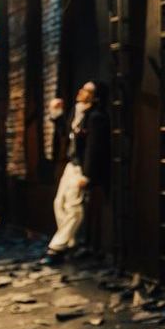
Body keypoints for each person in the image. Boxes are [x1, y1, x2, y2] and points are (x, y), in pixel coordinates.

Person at [39, 80, 109, 265]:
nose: (81, 92)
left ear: (94, 97)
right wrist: (57, 113)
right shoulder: (77, 111)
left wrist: (87, 175)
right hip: (71, 164)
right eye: (82, 88)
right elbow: (66, 133)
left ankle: (57, 247)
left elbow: (94, 147)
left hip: (81, 167)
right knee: (59, 203)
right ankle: (70, 242)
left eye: (87, 90)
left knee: (74, 208)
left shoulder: (95, 117)